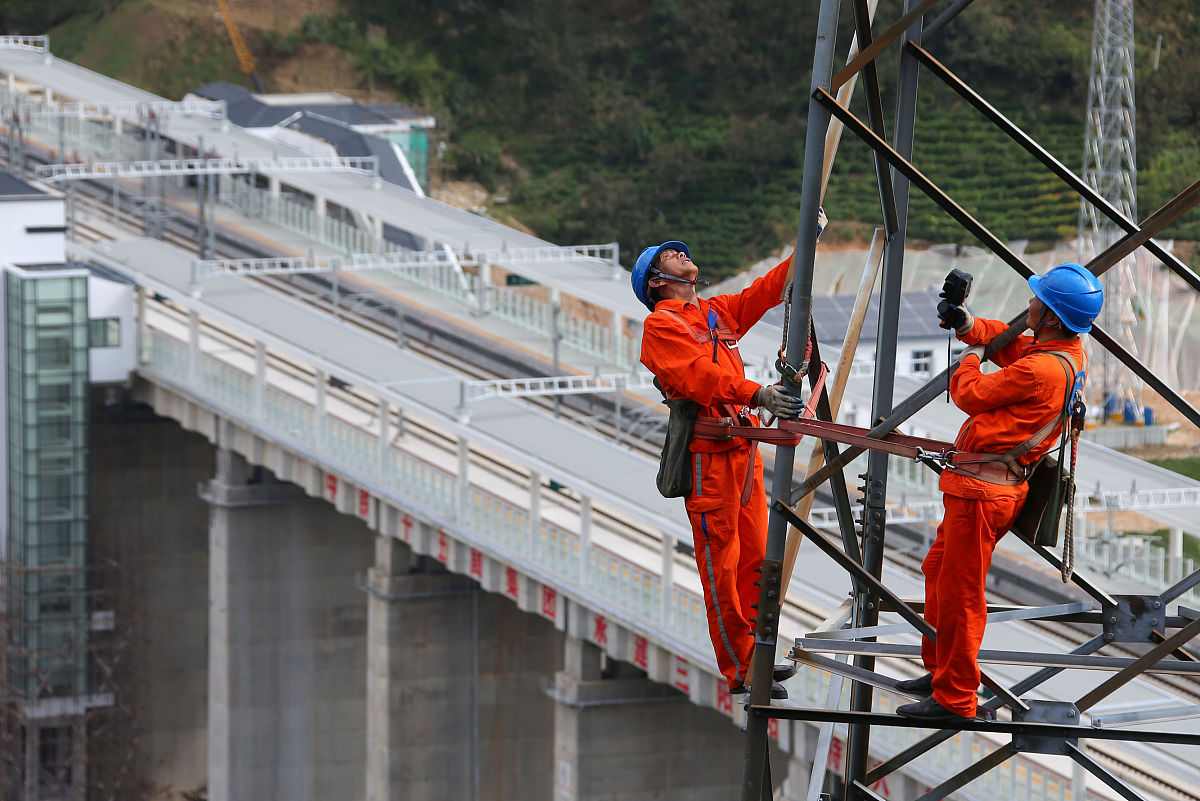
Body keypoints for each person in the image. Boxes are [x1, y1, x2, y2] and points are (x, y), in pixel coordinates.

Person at [896, 262, 1104, 721]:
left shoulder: (1042, 370)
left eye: (1037, 299)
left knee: (962, 595)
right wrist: (971, 327)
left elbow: (969, 393)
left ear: (1050, 315)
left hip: (983, 493)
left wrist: (968, 357)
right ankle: (940, 672)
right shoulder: (1061, 353)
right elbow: (1015, 345)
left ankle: (955, 698)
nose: (1028, 303)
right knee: (938, 574)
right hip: (983, 487)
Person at [634, 209, 825, 699]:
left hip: (741, 449)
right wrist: (755, 393)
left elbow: (764, 291)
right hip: (709, 457)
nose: (681, 252)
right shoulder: (661, 326)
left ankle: (760, 653)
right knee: (721, 565)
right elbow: (699, 377)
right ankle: (740, 668)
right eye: (669, 255)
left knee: (756, 559)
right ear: (656, 282)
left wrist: (807, 244)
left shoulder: (712, 313)